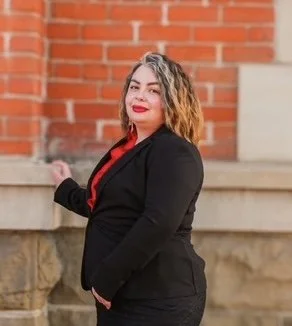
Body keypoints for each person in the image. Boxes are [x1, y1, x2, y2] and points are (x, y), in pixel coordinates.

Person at [51, 52, 207, 326]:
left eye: (153, 90)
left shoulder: (175, 151)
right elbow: (109, 205)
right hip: (124, 295)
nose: (139, 96)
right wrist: (66, 188)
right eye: (134, 87)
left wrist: (107, 280)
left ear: (173, 99)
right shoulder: (128, 148)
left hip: (158, 299)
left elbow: (158, 222)